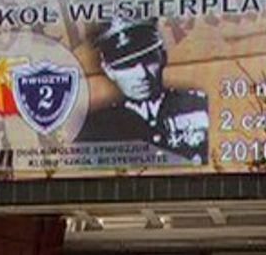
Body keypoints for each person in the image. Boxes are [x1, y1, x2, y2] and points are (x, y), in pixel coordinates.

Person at [78, 17, 209, 165]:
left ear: (163, 56)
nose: (142, 74)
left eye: (149, 59)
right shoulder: (94, 127)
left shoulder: (201, 106)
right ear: (108, 70)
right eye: (127, 65)